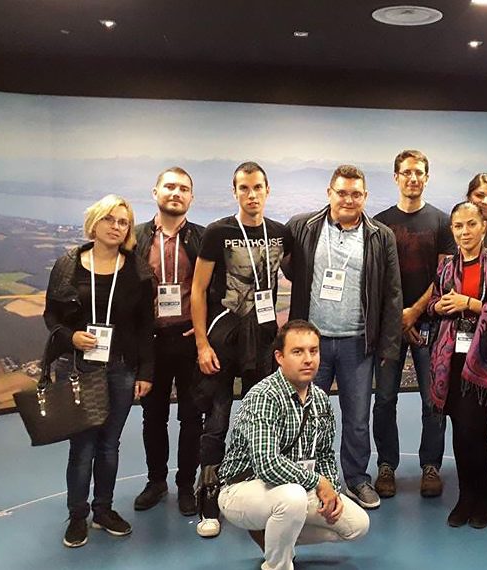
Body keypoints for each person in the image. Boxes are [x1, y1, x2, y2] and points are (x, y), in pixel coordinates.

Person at [284, 164, 403, 510]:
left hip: (357, 343)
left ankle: (356, 479)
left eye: (356, 194)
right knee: (304, 416)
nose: (348, 199)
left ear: (365, 196)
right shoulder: (303, 227)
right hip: (312, 344)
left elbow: (392, 294)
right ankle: (305, 480)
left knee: (356, 419)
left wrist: (389, 346)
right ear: (329, 193)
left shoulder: (381, 236)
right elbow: (288, 268)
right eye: (342, 193)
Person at [44, 194, 155, 548]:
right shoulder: (68, 265)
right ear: (94, 222)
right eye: (110, 219)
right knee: (82, 446)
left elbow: (145, 326)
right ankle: (77, 516)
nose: (116, 227)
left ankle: (103, 510)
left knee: (109, 445)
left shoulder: (138, 271)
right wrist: (70, 337)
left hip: (121, 369)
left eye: (123, 222)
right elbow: (51, 315)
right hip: (79, 368)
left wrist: (145, 372)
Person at [218, 320, 370, 570]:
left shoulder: (320, 400)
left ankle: (275, 532)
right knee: (293, 498)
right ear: (279, 357)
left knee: (357, 526)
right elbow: (267, 465)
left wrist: (331, 491)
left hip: (293, 489)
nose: (308, 359)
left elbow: (324, 455)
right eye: (297, 352)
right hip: (243, 489)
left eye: (313, 351)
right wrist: (318, 482)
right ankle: (277, 565)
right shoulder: (263, 396)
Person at [191, 161, 292, 537]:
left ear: (268, 190)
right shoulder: (218, 232)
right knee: (217, 418)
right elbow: (199, 289)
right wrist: (201, 343)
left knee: (259, 420)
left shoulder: (279, 233)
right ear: (235, 192)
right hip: (223, 337)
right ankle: (208, 495)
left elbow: (296, 272)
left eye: (257, 188)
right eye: (244, 188)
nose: (251, 195)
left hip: (263, 340)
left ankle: (253, 490)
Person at [372, 149, 454, 500]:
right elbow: (376, 280)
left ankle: (430, 466)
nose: (413, 178)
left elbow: (444, 276)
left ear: (426, 177)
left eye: (419, 172)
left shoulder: (441, 222)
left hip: (430, 326)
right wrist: (398, 318)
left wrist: (414, 313)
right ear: (396, 177)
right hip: (389, 328)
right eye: (406, 172)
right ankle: (386, 466)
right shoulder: (378, 224)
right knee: (384, 398)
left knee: (433, 400)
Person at [427, 202, 487, 529]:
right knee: (460, 430)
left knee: (474, 430)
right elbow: (434, 302)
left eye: (471, 224)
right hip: (450, 359)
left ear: (483, 226)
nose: (465, 232)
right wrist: (439, 306)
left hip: (485, 359)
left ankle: (483, 498)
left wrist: (470, 304)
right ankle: (466, 497)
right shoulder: (446, 267)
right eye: (458, 226)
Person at [132, 167, 205, 517]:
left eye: (183, 189)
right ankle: (156, 481)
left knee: (192, 418)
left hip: (189, 339)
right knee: (153, 417)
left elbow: (213, 290)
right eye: (170, 187)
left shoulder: (202, 238)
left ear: (191, 197)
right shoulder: (135, 238)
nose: (176, 193)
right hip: (152, 342)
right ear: (155, 192)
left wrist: (204, 332)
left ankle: (186, 484)